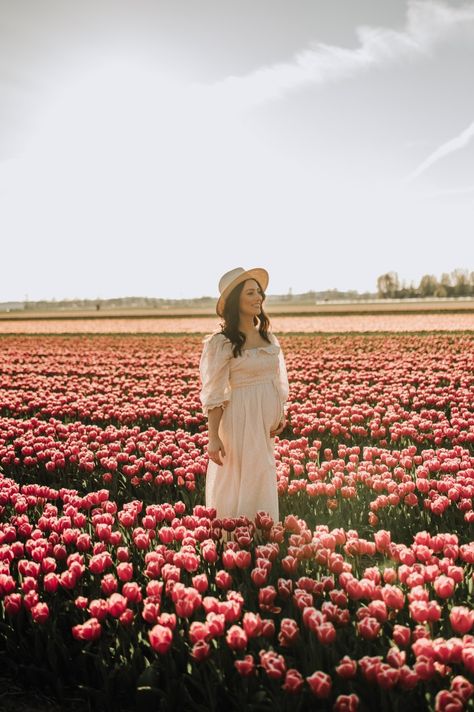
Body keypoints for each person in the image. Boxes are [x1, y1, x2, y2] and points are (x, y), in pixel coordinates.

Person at [199, 266, 289, 527]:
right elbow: (215, 393)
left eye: (259, 291)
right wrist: (213, 437)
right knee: (238, 477)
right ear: (236, 299)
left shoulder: (268, 337)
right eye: (250, 292)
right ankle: (234, 536)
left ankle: (262, 537)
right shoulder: (221, 342)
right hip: (238, 419)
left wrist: (280, 413)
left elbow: (276, 380)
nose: (258, 296)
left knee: (262, 474)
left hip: (264, 426)